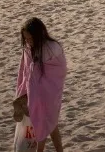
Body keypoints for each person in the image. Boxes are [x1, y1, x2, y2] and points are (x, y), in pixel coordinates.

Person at [14, 17, 67, 152]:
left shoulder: (52, 48)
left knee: (45, 124)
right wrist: (22, 91)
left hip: (49, 94)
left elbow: (58, 71)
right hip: (35, 95)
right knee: (50, 124)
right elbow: (24, 72)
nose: (28, 42)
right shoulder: (27, 49)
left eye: (30, 39)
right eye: (25, 39)